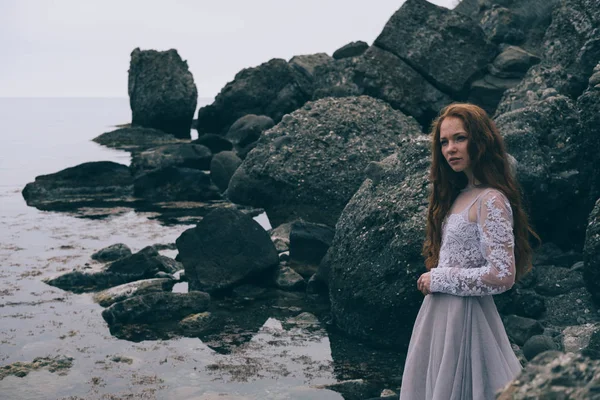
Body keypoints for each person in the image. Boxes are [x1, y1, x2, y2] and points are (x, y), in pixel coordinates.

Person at [399, 103, 539, 400]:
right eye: (444, 142)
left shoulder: (491, 200)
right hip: (439, 317)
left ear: (480, 140)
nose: (450, 149)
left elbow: (502, 275)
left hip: (466, 318)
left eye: (459, 138)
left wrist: (439, 278)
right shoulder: (460, 194)